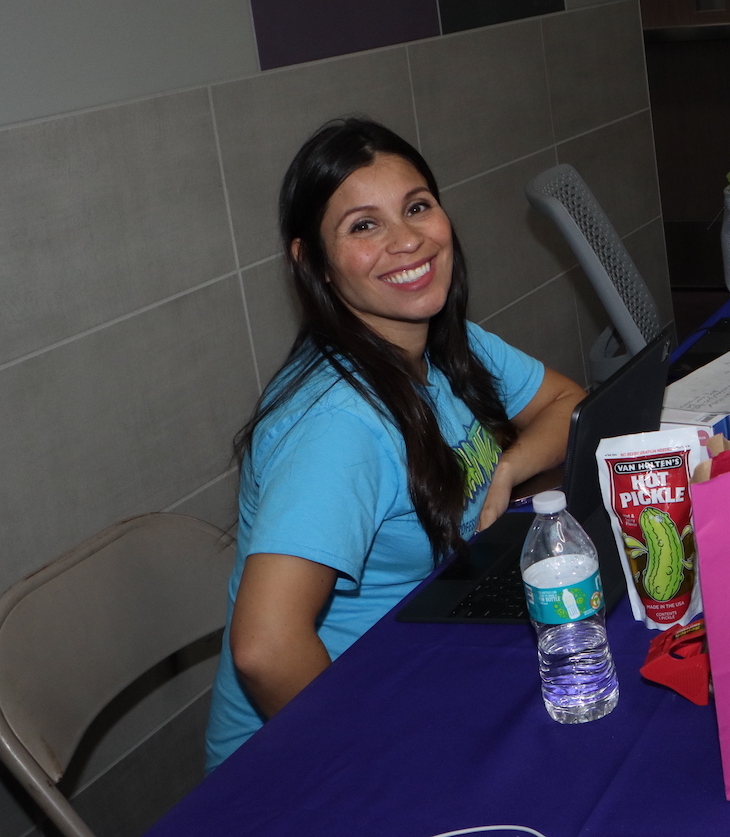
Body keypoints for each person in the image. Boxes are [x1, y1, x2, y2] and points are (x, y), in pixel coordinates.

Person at [204, 118, 585, 770]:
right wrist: (368, 763)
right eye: (363, 225)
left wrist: (511, 465)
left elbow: (567, 403)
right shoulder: (339, 423)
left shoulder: (441, 344)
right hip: (310, 756)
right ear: (312, 262)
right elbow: (266, 648)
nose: (407, 240)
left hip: (426, 665)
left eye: (416, 207)